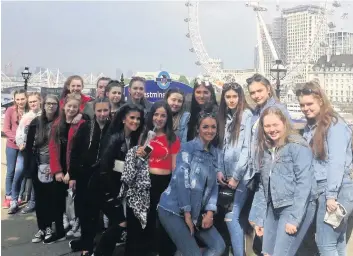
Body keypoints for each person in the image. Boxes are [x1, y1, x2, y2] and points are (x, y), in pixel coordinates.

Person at [249, 106, 317, 256]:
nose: (271, 129)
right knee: (266, 252)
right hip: (274, 206)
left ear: (284, 123)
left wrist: (294, 219)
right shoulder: (266, 148)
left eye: (275, 125)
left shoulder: (297, 146)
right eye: (267, 126)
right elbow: (263, 185)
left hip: (294, 206)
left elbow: (304, 184)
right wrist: (259, 218)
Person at [158, 110, 225, 256]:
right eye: (205, 127)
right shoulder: (187, 148)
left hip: (197, 211)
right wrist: (187, 215)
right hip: (173, 209)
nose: (210, 130)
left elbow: (213, 187)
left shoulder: (215, 153)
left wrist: (209, 213)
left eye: (213, 127)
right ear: (197, 129)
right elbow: (182, 182)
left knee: (218, 246)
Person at [298, 81, 353, 256]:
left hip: (334, 190)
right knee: (337, 243)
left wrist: (331, 196)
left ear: (320, 101)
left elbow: (336, 163)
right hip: (330, 190)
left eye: (309, 104)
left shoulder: (335, 125)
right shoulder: (311, 127)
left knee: (325, 243)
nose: (305, 108)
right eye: (302, 105)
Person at [122, 100, 180, 256]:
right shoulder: (143, 135)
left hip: (164, 185)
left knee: (161, 224)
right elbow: (135, 160)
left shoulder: (172, 138)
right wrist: (138, 153)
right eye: (156, 114)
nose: (159, 118)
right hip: (144, 183)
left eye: (163, 115)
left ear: (168, 118)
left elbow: (175, 167)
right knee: (141, 222)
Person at [94, 103, 145, 256]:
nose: (135, 121)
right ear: (123, 119)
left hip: (119, 189)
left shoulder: (134, 139)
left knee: (120, 224)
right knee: (120, 223)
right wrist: (112, 196)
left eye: (138, 119)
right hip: (106, 189)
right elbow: (104, 169)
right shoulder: (114, 138)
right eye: (132, 118)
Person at [68, 98, 111, 256]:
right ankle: (87, 244)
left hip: (104, 177)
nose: (102, 114)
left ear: (109, 110)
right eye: (99, 111)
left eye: (105, 110)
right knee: (86, 212)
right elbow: (75, 152)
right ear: (94, 111)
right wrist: (72, 175)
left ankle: (102, 243)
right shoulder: (86, 127)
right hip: (85, 175)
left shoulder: (112, 127)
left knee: (103, 213)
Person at [216, 82, 253, 256]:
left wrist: (237, 176)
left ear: (240, 97)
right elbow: (220, 147)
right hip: (226, 176)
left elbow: (247, 148)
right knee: (230, 216)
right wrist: (219, 170)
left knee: (231, 217)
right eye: (228, 97)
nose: (231, 100)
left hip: (242, 177)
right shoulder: (224, 117)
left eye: (234, 97)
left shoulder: (246, 115)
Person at [48, 93, 86, 244]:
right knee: (57, 201)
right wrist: (57, 170)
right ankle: (59, 230)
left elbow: (80, 151)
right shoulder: (57, 124)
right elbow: (52, 147)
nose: (71, 109)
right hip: (59, 168)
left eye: (75, 107)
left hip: (73, 169)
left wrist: (72, 173)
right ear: (64, 107)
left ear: (79, 108)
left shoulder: (81, 124)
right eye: (69, 106)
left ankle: (78, 227)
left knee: (76, 201)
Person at [23, 95, 60, 243]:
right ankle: (42, 227)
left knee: (51, 199)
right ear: (43, 105)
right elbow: (28, 147)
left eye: (54, 104)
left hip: (54, 167)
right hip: (38, 165)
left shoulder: (60, 123)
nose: (51, 106)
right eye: (48, 103)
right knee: (40, 199)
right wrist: (28, 168)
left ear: (58, 106)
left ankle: (50, 227)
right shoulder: (35, 123)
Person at [16, 92, 42, 214]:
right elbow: (19, 132)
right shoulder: (26, 116)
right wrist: (21, 144)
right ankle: (32, 202)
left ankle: (40, 202)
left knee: (42, 177)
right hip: (29, 151)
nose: (32, 104)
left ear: (40, 101)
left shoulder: (44, 115)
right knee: (31, 175)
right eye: (30, 102)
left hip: (42, 151)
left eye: (35, 101)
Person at [3, 89, 28, 214]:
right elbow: (6, 129)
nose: (20, 101)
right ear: (14, 99)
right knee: (11, 171)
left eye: (22, 98)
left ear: (26, 98)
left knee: (21, 171)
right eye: (17, 99)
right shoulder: (10, 111)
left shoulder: (30, 111)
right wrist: (17, 140)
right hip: (12, 145)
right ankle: (8, 196)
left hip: (25, 147)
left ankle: (18, 195)